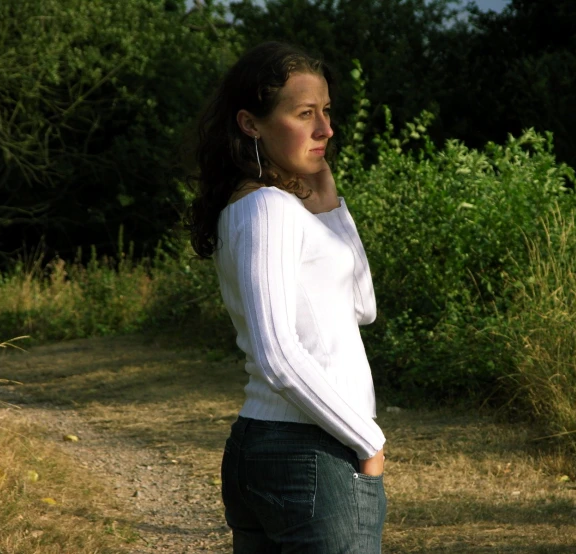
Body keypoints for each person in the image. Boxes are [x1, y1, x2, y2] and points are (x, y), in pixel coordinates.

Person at [185, 41, 387, 553]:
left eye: (325, 112)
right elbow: (276, 355)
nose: (325, 129)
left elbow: (362, 307)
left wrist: (329, 203)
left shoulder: (284, 208)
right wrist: (367, 440)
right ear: (251, 124)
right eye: (304, 114)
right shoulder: (267, 209)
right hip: (310, 452)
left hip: (288, 450)